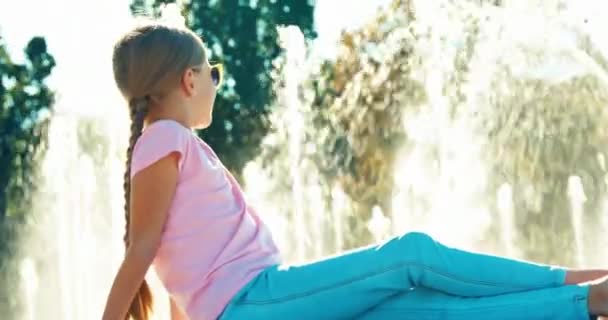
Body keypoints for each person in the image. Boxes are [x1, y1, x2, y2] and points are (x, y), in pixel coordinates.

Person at [102, 21, 608, 320]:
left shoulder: (166, 145)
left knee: (418, 308)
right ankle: (583, 282)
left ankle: (583, 300)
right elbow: (141, 251)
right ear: (190, 80)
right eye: (213, 73)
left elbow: (175, 267)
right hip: (254, 300)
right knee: (411, 255)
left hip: (253, 302)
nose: (215, 83)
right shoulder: (167, 139)